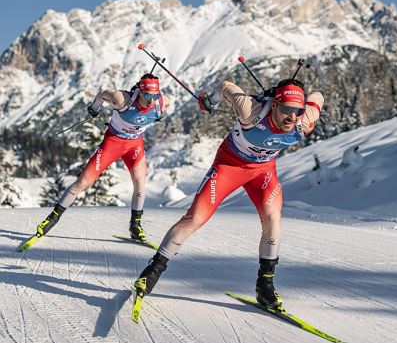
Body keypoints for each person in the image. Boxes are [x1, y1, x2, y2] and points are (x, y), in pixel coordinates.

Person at [133, 76, 324, 308]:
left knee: (273, 221)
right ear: (274, 104)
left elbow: (318, 98)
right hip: (229, 166)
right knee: (195, 218)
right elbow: (225, 86)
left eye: (297, 111)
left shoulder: (302, 119)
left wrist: (307, 111)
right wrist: (210, 101)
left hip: (262, 172)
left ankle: (265, 287)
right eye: (286, 110)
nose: (292, 118)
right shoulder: (251, 110)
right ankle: (151, 272)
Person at [35, 73, 169, 242]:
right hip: (112, 143)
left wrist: (162, 113)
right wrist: (95, 107)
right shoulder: (122, 99)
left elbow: (166, 104)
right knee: (83, 182)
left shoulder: (159, 103)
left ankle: (135, 226)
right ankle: (51, 219)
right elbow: (102, 94)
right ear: (141, 92)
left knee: (140, 184)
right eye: (148, 96)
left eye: (155, 95)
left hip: (134, 145)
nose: (152, 100)